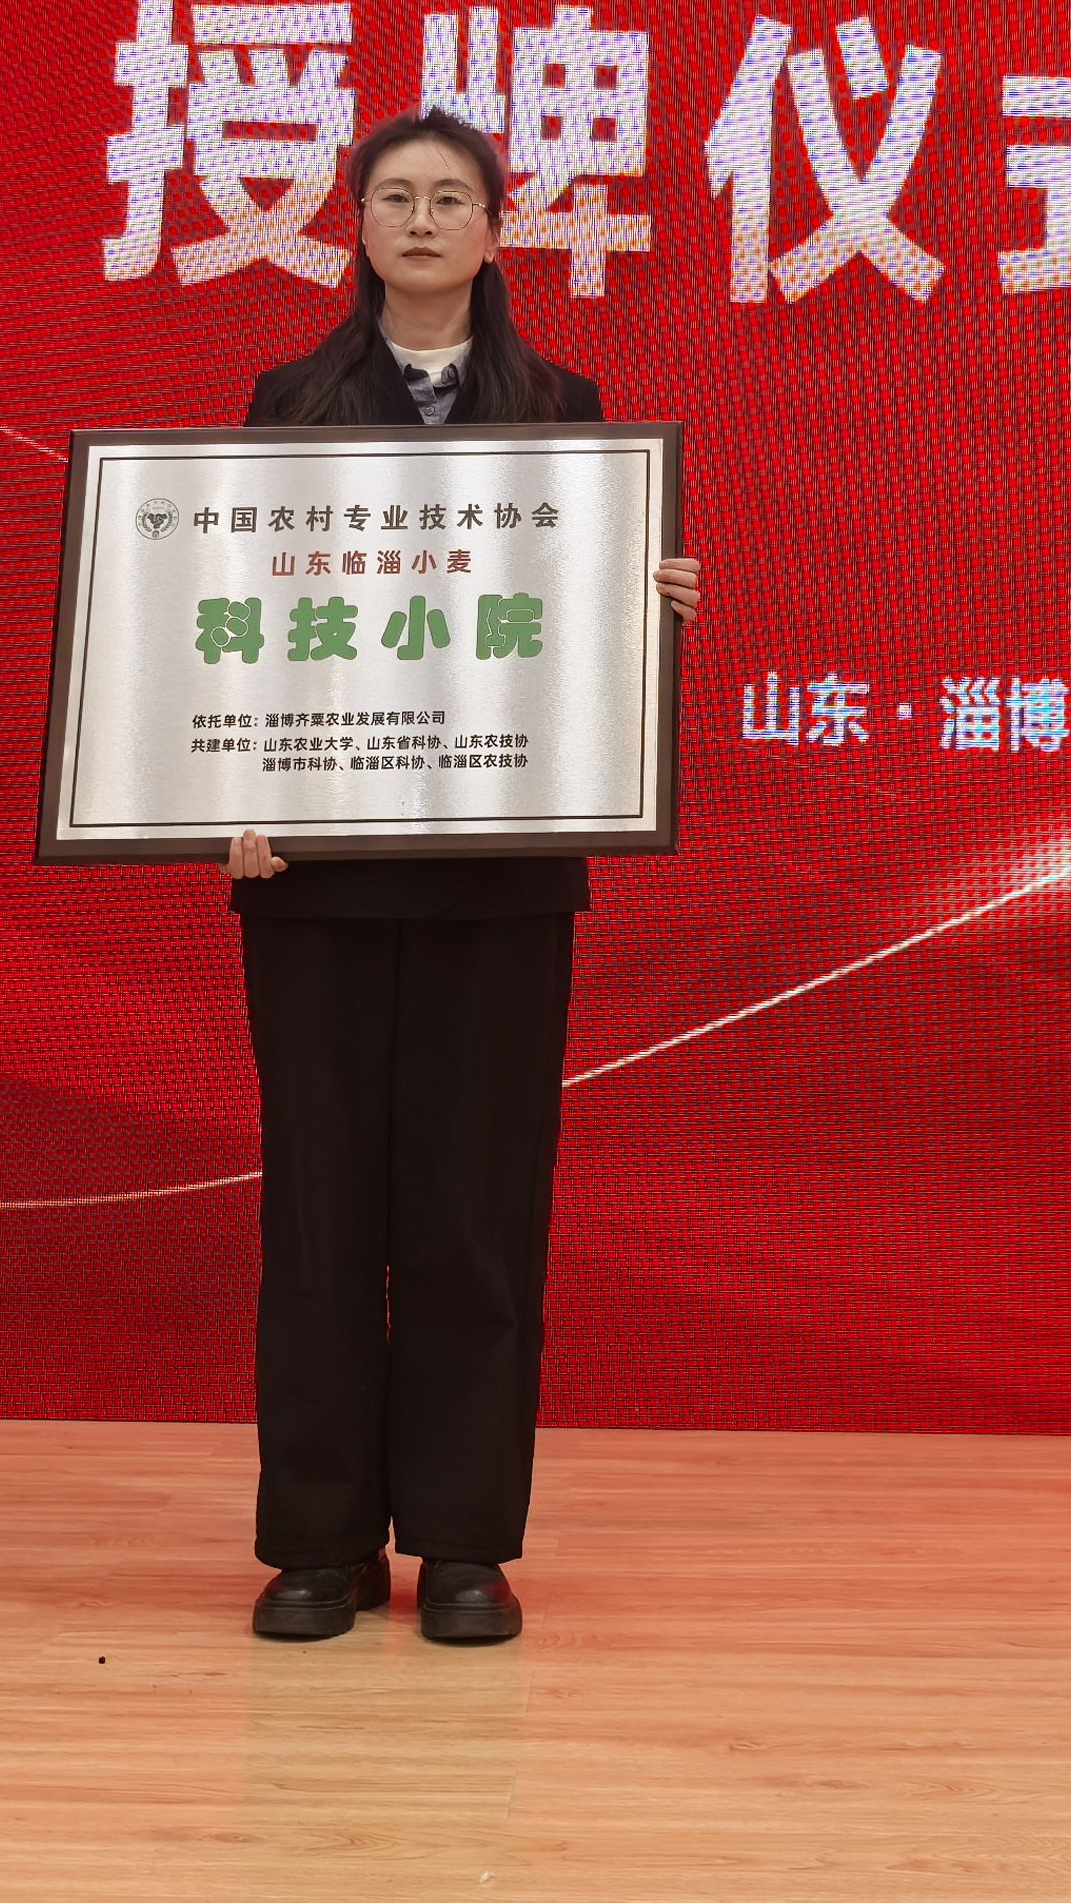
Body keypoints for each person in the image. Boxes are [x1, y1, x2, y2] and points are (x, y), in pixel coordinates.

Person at [218, 110, 701, 1648]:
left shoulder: (567, 412)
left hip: (500, 874)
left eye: (450, 198)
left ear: (499, 229)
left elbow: (576, 642)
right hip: (314, 874)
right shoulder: (287, 404)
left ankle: (464, 1542)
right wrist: (221, 791)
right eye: (393, 197)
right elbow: (230, 619)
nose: (420, 221)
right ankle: (318, 1542)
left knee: (474, 1210)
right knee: (320, 1211)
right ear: (353, 225)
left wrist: (647, 604)